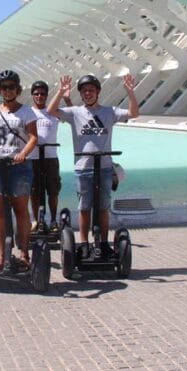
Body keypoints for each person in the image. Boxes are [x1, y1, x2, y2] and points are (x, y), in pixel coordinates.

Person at [58, 74, 138, 257]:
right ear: (81, 94)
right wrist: (61, 93)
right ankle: (84, 243)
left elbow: (133, 114)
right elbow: (51, 111)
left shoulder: (109, 111)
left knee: (103, 207)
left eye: (91, 90)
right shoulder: (75, 112)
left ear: (98, 92)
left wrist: (130, 93)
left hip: (104, 167)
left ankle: (102, 243)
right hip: (83, 167)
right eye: (84, 91)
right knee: (84, 208)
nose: (88, 93)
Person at [0, 70, 38, 271]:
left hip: (19, 166)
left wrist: (23, 154)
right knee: (1, 212)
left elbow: (33, 138)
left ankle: (23, 253)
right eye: (4, 87)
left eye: (11, 87)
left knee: (21, 210)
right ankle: (1, 254)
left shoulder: (27, 111)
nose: (7, 90)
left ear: (18, 89)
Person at [28, 76, 73, 234]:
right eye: (36, 93)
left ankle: (53, 220)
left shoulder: (53, 111)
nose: (39, 96)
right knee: (34, 192)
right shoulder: (27, 112)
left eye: (42, 94)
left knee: (53, 191)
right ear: (32, 95)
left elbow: (72, 117)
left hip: (50, 157)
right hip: (32, 158)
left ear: (46, 95)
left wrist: (67, 99)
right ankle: (35, 220)